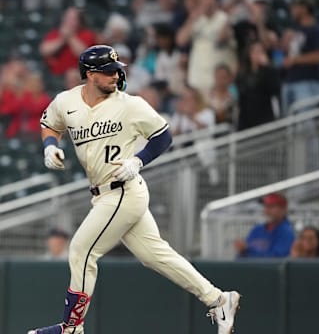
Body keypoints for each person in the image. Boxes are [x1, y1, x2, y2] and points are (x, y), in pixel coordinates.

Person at [28, 45, 240, 334]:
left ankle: (72, 328)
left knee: (81, 251)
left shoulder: (130, 104)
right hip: (102, 192)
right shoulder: (66, 101)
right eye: (109, 71)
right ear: (90, 75)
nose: (116, 75)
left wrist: (138, 161)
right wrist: (50, 146)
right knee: (155, 255)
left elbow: (163, 136)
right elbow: (49, 124)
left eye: (118, 69)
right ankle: (218, 299)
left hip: (123, 190)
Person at [176, 0, 237, 96]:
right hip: (196, 79)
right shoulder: (196, 20)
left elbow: (221, 38)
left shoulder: (224, 18)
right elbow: (180, 40)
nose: (204, 2)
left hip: (218, 82)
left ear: (216, 0)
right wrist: (193, 17)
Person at [281, 0, 319, 116]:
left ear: (304, 8)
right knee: (290, 125)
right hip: (290, 81)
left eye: (295, 7)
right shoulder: (296, 31)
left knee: (307, 122)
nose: (292, 11)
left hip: (308, 82)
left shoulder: (316, 29)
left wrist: (295, 60)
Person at [40, 7, 97, 76]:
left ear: (79, 21)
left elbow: (84, 55)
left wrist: (71, 37)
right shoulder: (55, 33)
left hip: (78, 75)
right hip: (55, 75)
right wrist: (62, 39)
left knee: (72, 74)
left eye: (73, 19)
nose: (69, 21)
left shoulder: (87, 34)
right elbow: (44, 51)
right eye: (67, 18)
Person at [236, 40, 280, 129]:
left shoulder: (268, 71)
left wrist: (267, 67)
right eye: (255, 51)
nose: (258, 55)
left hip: (265, 117)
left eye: (260, 51)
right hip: (247, 120)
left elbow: (275, 88)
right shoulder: (242, 74)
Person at [235, 193, 295, 258]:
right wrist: (242, 250)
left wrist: (247, 250)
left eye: (271, 206)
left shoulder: (286, 232)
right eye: (266, 206)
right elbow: (241, 256)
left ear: (283, 209)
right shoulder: (257, 229)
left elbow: (275, 260)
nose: (267, 210)